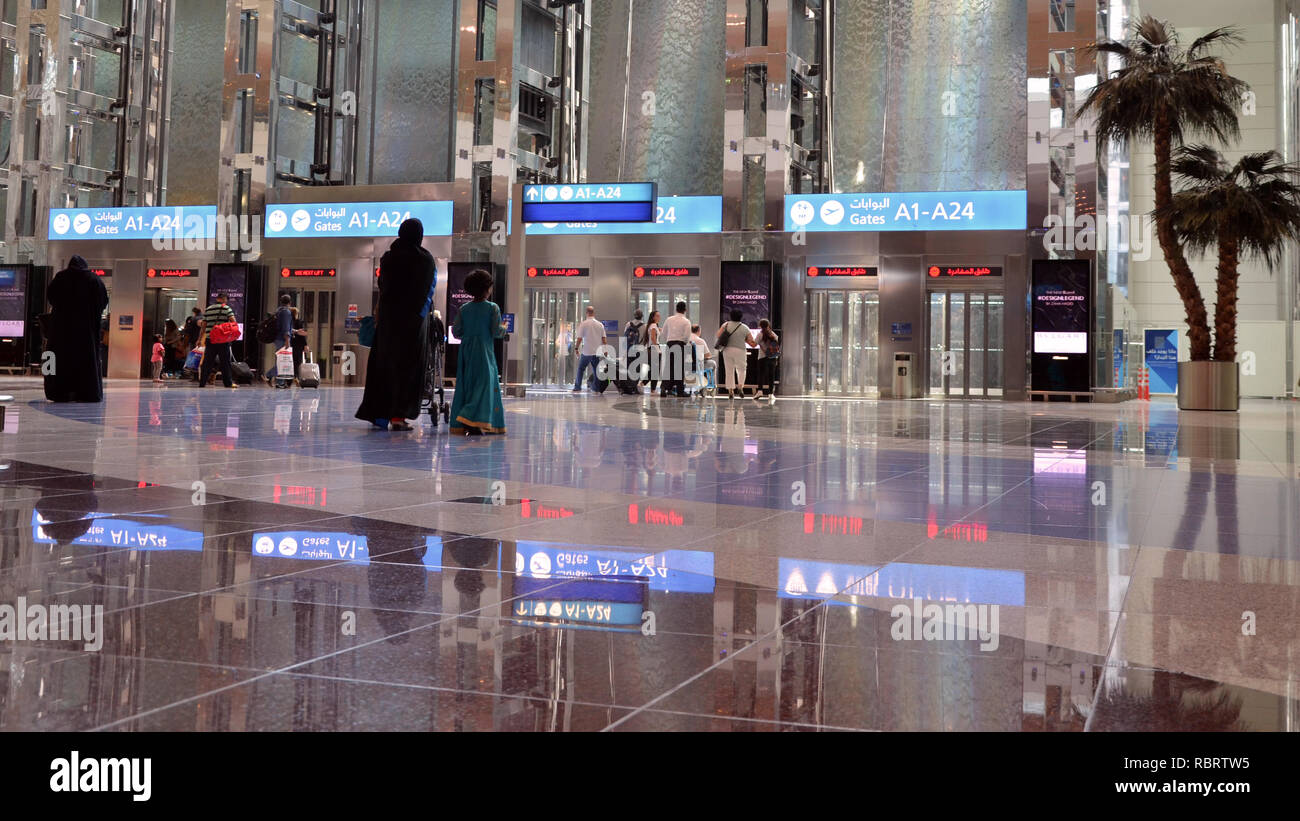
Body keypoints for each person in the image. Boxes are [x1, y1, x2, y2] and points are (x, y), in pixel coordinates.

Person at [356, 218, 437, 431]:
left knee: (384, 365)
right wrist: (419, 317)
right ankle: (399, 416)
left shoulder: (388, 258)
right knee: (408, 368)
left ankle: (380, 414)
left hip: (389, 322)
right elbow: (429, 290)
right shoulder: (425, 260)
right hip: (413, 324)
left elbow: (382, 286)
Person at [43, 255, 109, 403]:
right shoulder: (93, 279)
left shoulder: (60, 278)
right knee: (87, 360)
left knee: (57, 359)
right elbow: (103, 301)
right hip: (86, 332)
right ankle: (87, 393)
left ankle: (58, 392)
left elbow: (51, 297)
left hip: (61, 330)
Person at [449, 269, 506, 435]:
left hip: (466, 352)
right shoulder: (492, 308)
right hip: (484, 351)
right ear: (487, 288)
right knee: (485, 385)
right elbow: (496, 331)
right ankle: (470, 418)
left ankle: (467, 420)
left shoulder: (464, 309)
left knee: (468, 384)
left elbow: (457, 331)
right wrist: (504, 329)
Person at [198, 292, 237, 389]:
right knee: (225, 362)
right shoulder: (226, 308)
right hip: (222, 340)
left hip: (210, 339)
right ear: (224, 299)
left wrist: (199, 339)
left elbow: (203, 326)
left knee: (207, 362)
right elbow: (234, 322)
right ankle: (228, 383)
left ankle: (202, 383)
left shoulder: (208, 309)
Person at [715, 309, 756, 400]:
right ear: (741, 317)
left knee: (729, 370)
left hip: (727, 350)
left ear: (730, 316)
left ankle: (730, 390)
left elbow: (718, 335)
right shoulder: (744, 327)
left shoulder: (725, 325)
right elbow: (751, 341)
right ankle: (740, 386)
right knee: (741, 369)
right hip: (740, 350)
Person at [660, 301, 692, 397]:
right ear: (685, 310)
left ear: (676, 309)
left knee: (668, 367)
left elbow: (664, 333)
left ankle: (664, 388)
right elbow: (686, 336)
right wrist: (683, 343)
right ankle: (680, 391)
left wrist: (668, 341)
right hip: (680, 344)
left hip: (670, 344)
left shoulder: (669, 319)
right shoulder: (686, 321)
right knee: (679, 368)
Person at [572, 306, 606, 392]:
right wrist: (605, 350)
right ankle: (596, 388)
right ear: (593, 313)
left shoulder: (583, 324)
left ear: (586, 313)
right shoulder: (600, 324)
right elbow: (604, 339)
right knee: (596, 370)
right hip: (596, 352)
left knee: (581, 369)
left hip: (587, 351)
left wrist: (576, 348)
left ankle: (577, 387)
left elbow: (579, 338)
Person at [265, 294, 294, 385]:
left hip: (277, 338)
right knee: (283, 361)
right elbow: (285, 327)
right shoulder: (286, 312)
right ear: (290, 302)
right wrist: (287, 340)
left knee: (281, 360)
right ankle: (270, 376)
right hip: (282, 339)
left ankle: (279, 381)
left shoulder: (278, 311)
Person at [755, 318, 780, 403]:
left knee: (761, 375)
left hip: (762, 357)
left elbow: (754, 344)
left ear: (760, 326)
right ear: (768, 325)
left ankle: (759, 391)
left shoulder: (760, 334)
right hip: (772, 357)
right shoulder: (773, 334)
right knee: (771, 376)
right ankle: (770, 394)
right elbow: (776, 346)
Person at [689, 324, 714, 394]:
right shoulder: (700, 340)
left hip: (686, 365)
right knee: (712, 364)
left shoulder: (685, 340)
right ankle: (708, 386)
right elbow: (707, 355)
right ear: (699, 331)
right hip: (697, 366)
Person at [642, 310, 662, 393]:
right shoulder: (653, 325)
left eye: (659, 315)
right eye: (657, 315)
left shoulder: (653, 325)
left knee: (654, 369)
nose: (659, 317)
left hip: (651, 348)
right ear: (653, 317)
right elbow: (653, 338)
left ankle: (644, 384)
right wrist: (658, 349)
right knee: (655, 370)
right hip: (654, 348)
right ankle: (650, 388)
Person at [290, 306, 308, 381]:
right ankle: (296, 376)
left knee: (292, 361)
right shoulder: (299, 322)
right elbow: (303, 335)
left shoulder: (289, 322)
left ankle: (292, 376)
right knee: (298, 361)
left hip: (291, 344)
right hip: (298, 344)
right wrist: (305, 345)